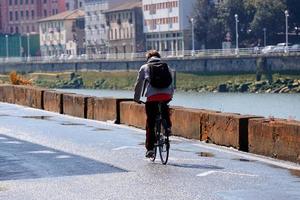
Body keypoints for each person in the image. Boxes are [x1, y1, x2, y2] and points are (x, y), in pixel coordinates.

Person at [133, 50, 174, 158]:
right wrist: (170, 96)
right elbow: (171, 83)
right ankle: (168, 127)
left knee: (150, 122)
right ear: (159, 57)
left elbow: (138, 85)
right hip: (166, 95)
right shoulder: (167, 67)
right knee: (164, 106)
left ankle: (150, 149)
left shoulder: (144, 67)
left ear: (148, 59)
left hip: (152, 97)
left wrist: (136, 98)